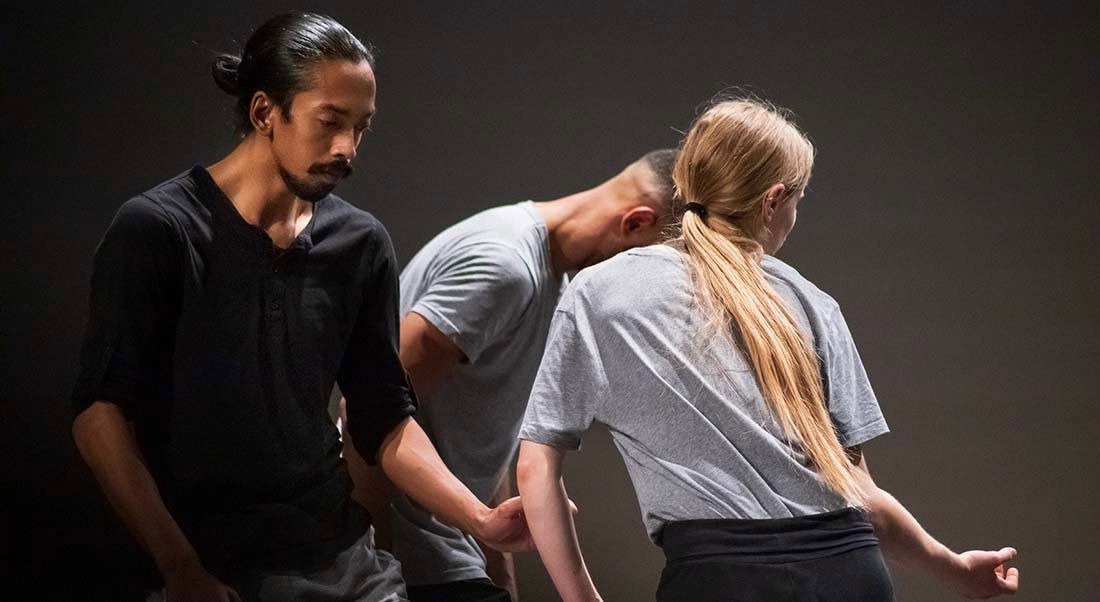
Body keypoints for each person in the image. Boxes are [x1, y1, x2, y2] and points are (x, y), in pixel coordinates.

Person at [70, 12, 530, 602]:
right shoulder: (159, 229)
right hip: (202, 565)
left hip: (339, 560)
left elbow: (383, 418)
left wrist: (482, 520)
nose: (348, 149)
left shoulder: (360, 244)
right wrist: (179, 566)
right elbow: (99, 414)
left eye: (362, 127)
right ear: (265, 112)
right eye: (329, 122)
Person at [515, 98, 1021, 601]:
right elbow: (861, 495)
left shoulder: (603, 292)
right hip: (850, 574)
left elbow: (536, 466)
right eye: (800, 200)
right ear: (773, 200)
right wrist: (955, 569)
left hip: (721, 582)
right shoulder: (810, 302)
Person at [340, 149, 678, 601]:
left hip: (448, 559)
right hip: (411, 569)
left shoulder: (547, 280)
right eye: (652, 265)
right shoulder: (505, 268)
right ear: (636, 222)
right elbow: (364, 409)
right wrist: (373, 578)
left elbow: (482, 439)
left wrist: (501, 580)